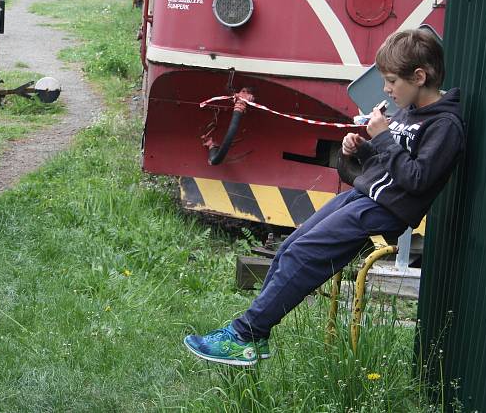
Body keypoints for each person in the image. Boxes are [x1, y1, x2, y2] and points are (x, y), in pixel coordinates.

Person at [184, 29, 465, 366]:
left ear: (420, 76)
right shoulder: (409, 111)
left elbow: (417, 180)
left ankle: (244, 334)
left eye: (391, 81)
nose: (386, 90)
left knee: (305, 254)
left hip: (385, 211)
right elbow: (387, 165)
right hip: (365, 197)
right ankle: (254, 338)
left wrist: (385, 139)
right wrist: (361, 150)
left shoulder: (445, 125)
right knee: (289, 248)